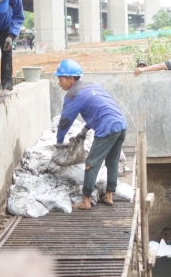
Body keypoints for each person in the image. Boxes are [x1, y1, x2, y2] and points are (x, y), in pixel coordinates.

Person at [54, 59, 127, 211]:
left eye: (60, 79)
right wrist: (84, 131)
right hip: (121, 124)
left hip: (107, 128)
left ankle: (86, 200)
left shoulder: (72, 94)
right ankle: (109, 195)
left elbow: (64, 122)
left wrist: (59, 142)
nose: (59, 83)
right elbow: (99, 110)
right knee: (112, 162)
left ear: (71, 79)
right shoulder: (94, 85)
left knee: (91, 163)